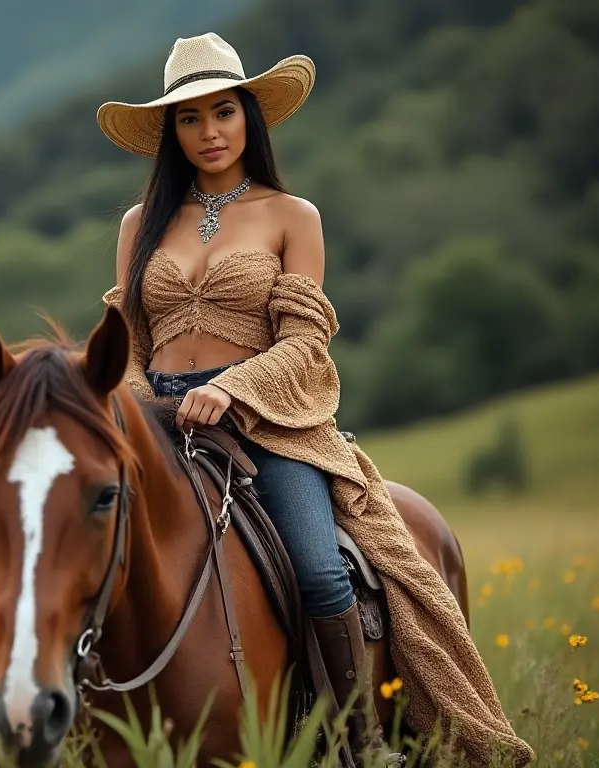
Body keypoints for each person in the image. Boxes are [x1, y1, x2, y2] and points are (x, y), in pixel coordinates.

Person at [95, 32, 534, 767]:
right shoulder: (138, 226)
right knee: (70, 536)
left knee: (320, 566)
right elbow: (126, 338)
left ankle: (359, 740)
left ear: (249, 119)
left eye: (223, 113)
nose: (209, 132)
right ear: (171, 132)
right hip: (154, 419)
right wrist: (139, 400)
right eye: (190, 119)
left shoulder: (291, 215)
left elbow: (303, 342)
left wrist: (232, 387)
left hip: (267, 421)